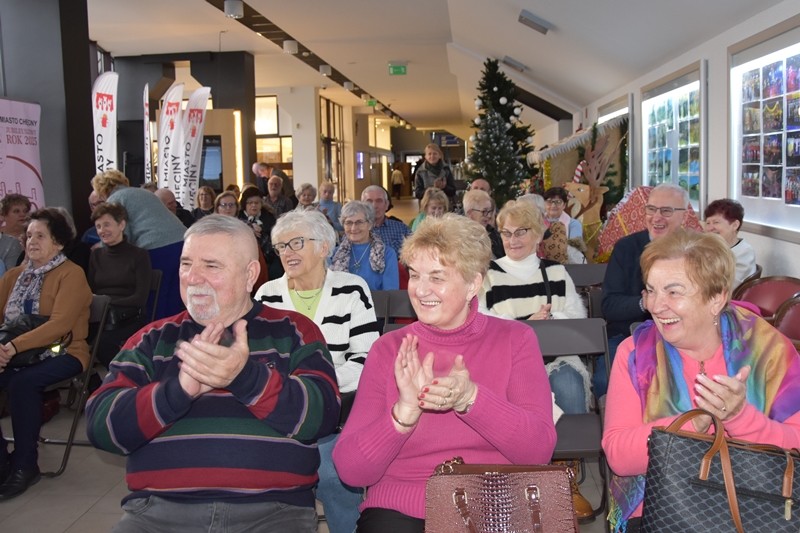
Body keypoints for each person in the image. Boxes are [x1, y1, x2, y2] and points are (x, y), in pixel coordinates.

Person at [86, 214, 340, 533]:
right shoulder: (152, 339)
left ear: (250, 275)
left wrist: (245, 378)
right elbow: (101, 426)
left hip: (273, 511)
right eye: (186, 264)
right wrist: (178, 391)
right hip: (157, 513)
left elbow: (322, 415)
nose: (192, 277)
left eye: (211, 265)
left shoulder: (293, 331)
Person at [333, 213, 556, 532]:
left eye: (437, 277)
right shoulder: (389, 350)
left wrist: (472, 399)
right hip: (401, 505)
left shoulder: (515, 340)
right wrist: (403, 415)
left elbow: (538, 451)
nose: (421, 290)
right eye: (415, 276)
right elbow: (351, 471)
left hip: (494, 503)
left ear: (472, 284)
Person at [602, 230, 800, 533]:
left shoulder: (770, 353)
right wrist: (691, 423)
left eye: (673, 292)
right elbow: (618, 456)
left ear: (716, 298)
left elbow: (796, 447)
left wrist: (740, 418)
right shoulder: (636, 356)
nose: (656, 305)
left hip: (760, 507)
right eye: (651, 290)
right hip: (665, 510)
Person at [256, 209, 380, 533]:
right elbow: (255, 362)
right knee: (262, 471)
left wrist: (315, 388)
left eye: (296, 243)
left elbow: (367, 359)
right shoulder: (267, 295)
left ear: (323, 246)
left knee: (332, 474)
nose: (287, 252)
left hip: (335, 412)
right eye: (281, 246)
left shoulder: (352, 289)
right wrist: (289, 395)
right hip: (277, 413)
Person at [477, 200, 593, 520]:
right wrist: (525, 325)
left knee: (568, 381)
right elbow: (482, 322)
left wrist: (551, 319)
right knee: (513, 392)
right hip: (509, 363)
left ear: (538, 234)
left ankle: (565, 477)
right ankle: (522, 478)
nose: (512, 239)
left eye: (521, 232)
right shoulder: (489, 275)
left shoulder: (555, 271)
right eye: (506, 233)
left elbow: (577, 317)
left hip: (556, 357)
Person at [0, 208, 92, 500]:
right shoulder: (14, 276)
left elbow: (59, 325)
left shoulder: (71, 274)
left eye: (40, 236)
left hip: (64, 352)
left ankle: (25, 465)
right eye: (29, 236)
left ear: (59, 242)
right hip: (14, 354)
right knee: (19, 378)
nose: (32, 241)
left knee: (22, 383)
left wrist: (12, 347)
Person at [596, 183, 690, 398]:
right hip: (626, 335)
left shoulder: (696, 250)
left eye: (666, 211)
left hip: (682, 337)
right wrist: (643, 303)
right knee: (605, 380)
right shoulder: (626, 247)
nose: (656, 217)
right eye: (651, 209)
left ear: (684, 216)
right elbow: (609, 306)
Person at [91, 170, 186, 319]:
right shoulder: (143, 193)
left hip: (156, 247)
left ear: (102, 190)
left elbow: (121, 234)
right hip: (182, 243)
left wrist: (102, 249)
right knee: (173, 299)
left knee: (155, 301)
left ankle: (154, 333)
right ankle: (174, 332)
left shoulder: (115, 199)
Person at [88, 202, 152, 368]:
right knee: (73, 337)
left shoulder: (139, 255)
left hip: (129, 316)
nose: (102, 230)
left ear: (122, 225)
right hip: (100, 316)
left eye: (107, 224)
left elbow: (140, 298)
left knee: (102, 344)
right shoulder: (96, 255)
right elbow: (89, 291)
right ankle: (94, 379)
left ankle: (126, 376)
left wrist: (106, 302)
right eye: (98, 226)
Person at [331, 201, 399, 292]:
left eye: (359, 222)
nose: (353, 228)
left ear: (370, 224)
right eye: (349, 223)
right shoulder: (334, 254)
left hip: (376, 301)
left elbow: (390, 293)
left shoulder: (387, 254)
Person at [704, 198, 756, 287]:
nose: (709, 228)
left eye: (716, 222)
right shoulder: (707, 247)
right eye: (708, 223)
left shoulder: (744, 252)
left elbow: (728, 287)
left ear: (735, 225)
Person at [238, 187, 280, 280]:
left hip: (268, 256)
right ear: (244, 204)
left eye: (257, 202)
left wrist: (263, 230)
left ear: (261, 203)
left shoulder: (269, 216)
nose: (254, 205)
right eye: (250, 202)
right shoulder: (238, 217)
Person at [361, 185, 411, 255]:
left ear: (387, 204)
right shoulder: (355, 231)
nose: (374, 206)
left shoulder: (402, 229)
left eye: (379, 201)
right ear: (362, 206)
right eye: (369, 201)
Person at [463, 189, 504, 259]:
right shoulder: (461, 239)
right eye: (484, 211)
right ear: (470, 213)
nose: (489, 216)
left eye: (490, 211)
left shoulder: (493, 234)